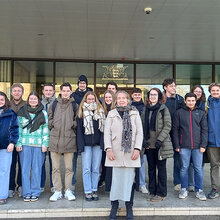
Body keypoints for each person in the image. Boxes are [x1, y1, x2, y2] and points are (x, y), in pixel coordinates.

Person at [104, 90, 143, 220]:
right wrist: (108, 149)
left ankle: (129, 206)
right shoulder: (111, 114)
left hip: (130, 153)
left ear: (128, 100)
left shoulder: (135, 113)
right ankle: (114, 206)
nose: (121, 100)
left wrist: (137, 149)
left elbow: (139, 133)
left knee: (129, 181)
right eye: (119, 98)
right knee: (115, 182)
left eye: (123, 98)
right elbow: (107, 134)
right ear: (116, 100)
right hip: (114, 153)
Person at [173, 93, 208, 201]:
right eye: (189, 100)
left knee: (198, 169)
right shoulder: (179, 113)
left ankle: (199, 190)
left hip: (198, 147)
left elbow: (205, 130)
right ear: (185, 101)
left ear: (195, 101)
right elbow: (175, 130)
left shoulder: (201, 113)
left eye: (193, 100)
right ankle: (184, 189)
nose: (191, 102)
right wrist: (177, 145)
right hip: (184, 146)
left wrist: (203, 145)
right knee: (184, 168)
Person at [16, 92, 49, 202]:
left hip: (38, 145)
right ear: (28, 100)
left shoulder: (43, 112)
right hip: (25, 144)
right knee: (25, 170)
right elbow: (18, 129)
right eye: (31, 99)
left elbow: (45, 130)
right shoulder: (22, 112)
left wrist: (45, 144)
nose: (33, 100)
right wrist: (18, 143)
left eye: (35, 99)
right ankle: (26, 192)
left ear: (38, 100)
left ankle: (35, 192)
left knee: (36, 169)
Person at [142, 88, 173, 202]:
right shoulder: (146, 109)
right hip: (149, 145)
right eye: (151, 95)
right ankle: (152, 191)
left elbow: (168, 125)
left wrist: (160, 140)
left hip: (161, 145)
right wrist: (144, 141)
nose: (153, 96)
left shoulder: (163, 109)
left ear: (159, 97)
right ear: (148, 96)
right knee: (151, 169)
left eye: (155, 95)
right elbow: (141, 125)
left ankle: (161, 193)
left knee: (161, 169)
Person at [48, 82, 77, 202]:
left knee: (69, 168)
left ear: (71, 92)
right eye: (63, 90)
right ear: (60, 91)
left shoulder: (75, 105)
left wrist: (72, 125)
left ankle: (68, 190)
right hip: (55, 140)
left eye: (67, 91)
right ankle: (58, 190)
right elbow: (49, 119)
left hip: (69, 140)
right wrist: (53, 125)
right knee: (55, 168)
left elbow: (77, 120)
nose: (65, 93)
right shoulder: (54, 104)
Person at [77, 91, 105, 201]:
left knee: (95, 169)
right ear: (85, 100)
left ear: (96, 100)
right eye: (89, 99)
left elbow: (103, 130)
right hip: (86, 145)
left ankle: (94, 189)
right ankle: (87, 191)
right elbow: (79, 131)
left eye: (93, 99)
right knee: (86, 168)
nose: (91, 101)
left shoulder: (101, 111)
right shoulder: (81, 112)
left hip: (97, 145)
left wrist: (103, 144)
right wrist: (81, 146)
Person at [70, 75, 93, 191]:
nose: (82, 85)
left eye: (84, 83)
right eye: (80, 83)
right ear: (78, 84)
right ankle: (73, 182)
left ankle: (92, 185)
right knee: (73, 159)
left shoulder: (91, 95)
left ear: (87, 84)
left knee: (90, 163)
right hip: (75, 130)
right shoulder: (73, 96)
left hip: (88, 133)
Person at [162, 78, 184, 191]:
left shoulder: (180, 99)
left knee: (178, 158)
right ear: (165, 87)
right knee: (161, 158)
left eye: (174, 86)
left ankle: (178, 182)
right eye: (171, 86)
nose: (174, 88)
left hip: (176, 132)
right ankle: (160, 181)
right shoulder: (161, 98)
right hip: (162, 132)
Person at [0, 92, 19, 205]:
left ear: (6, 100)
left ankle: (2, 195)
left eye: (2, 99)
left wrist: (12, 142)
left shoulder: (11, 113)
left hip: (6, 146)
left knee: (4, 171)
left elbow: (15, 129)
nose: (0, 101)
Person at [188, 85, 207, 192]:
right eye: (196, 91)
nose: (198, 93)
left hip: (202, 136)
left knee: (199, 164)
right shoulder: (188, 104)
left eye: (200, 91)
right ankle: (191, 183)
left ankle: (198, 185)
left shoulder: (205, 104)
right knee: (190, 163)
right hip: (190, 139)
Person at [9, 83, 25, 198]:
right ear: (11, 92)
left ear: (22, 92)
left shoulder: (26, 105)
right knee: (11, 164)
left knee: (22, 164)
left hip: (23, 139)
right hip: (9, 140)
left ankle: (20, 186)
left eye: (19, 91)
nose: (17, 93)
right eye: (15, 91)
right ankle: (10, 187)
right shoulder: (7, 104)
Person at [131, 88, 149, 194]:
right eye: (135, 95)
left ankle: (142, 184)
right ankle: (132, 182)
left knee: (141, 163)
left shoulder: (145, 108)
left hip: (143, 139)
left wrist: (145, 140)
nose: (137, 96)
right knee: (131, 162)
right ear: (132, 96)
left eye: (139, 95)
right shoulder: (129, 108)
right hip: (130, 140)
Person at [41, 83, 56, 193]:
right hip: (40, 136)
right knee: (41, 162)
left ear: (54, 91)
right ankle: (41, 185)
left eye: (50, 90)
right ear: (43, 91)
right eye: (46, 90)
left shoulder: (56, 103)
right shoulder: (39, 103)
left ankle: (53, 185)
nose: (48, 92)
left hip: (53, 136)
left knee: (53, 163)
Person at [98, 90, 115, 188]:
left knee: (112, 163)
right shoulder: (100, 109)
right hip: (103, 139)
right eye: (106, 97)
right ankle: (104, 180)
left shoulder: (116, 109)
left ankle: (111, 184)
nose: (108, 99)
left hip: (114, 140)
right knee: (104, 162)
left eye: (110, 97)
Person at [206, 83, 220, 199]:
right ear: (210, 92)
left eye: (217, 90)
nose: (215, 92)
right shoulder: (206, 105)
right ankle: (215, 189)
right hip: (211, 142)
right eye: (213, 90)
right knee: (214, 166)